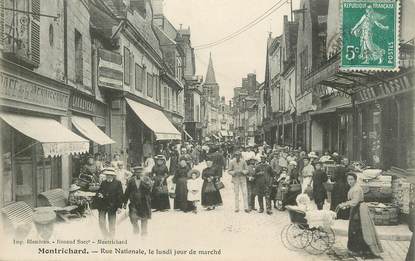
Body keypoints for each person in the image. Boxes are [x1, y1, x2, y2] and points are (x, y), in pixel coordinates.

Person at [338, 173, 383, 257]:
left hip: (359, 210)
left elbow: (355, 201)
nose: (350, 181)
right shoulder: (353, 187)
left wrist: (344, 204)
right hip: (355, 208)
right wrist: (346, 204)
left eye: (351, 179)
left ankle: (360, 250)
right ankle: (355, 249)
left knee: (358, 229)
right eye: (348, 179)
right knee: (354, 228)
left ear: (355, 180)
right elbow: (353, 201)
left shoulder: (357, 189)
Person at [123, 166, 153, 236]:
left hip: (144, 203)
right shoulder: (131, 180)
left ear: (142, 172)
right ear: (134, 173)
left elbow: (149, 189)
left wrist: (143, 182)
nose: (138, 174)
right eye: (137, 172)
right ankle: (136, 229)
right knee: (133, 217)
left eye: (140, 172)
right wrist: (124, 202)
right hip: (134, 203)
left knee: (144, 218)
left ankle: (144, 233)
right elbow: (127, 192)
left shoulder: (146, 179)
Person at [95, 168, 123, 238]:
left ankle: (111, 237)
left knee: (112, 223)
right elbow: (99, 191)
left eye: (110, 175)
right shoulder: (103, 182)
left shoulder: (118, 183)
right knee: (101, 221)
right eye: (107, 175)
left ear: (113, 176)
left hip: (112, 205)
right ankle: (105, 235)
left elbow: (120, 195)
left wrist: (119, 206)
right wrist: (99, 194)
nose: (109, 176)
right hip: (103, 205)